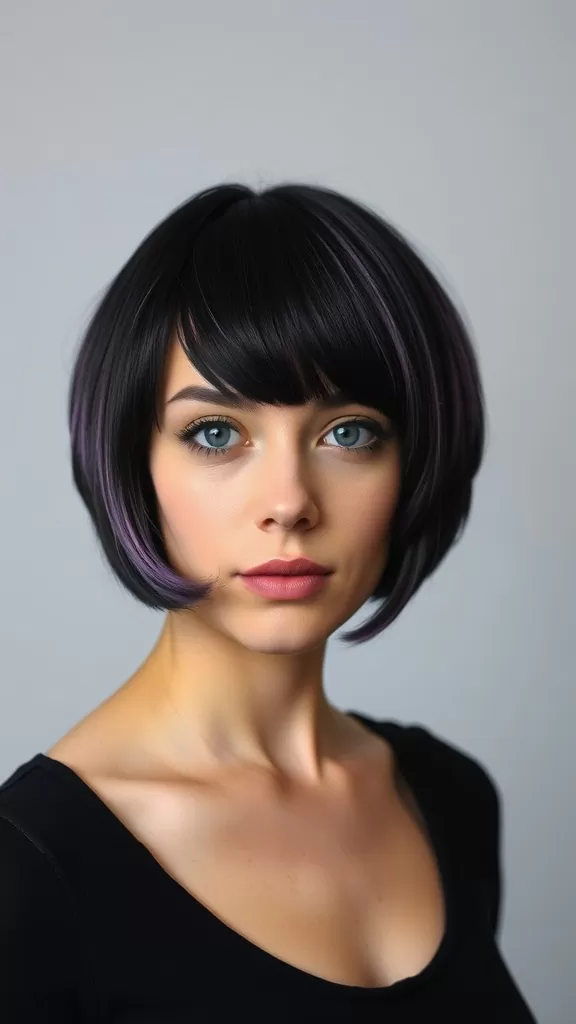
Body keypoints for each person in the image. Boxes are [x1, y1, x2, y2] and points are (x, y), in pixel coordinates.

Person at [0, 182, 538, 1021]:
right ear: (130, 461)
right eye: (216, 433)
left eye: (348, 432)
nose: (289, 501)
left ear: (417, 460)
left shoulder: (449, 796)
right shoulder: (30, 871)